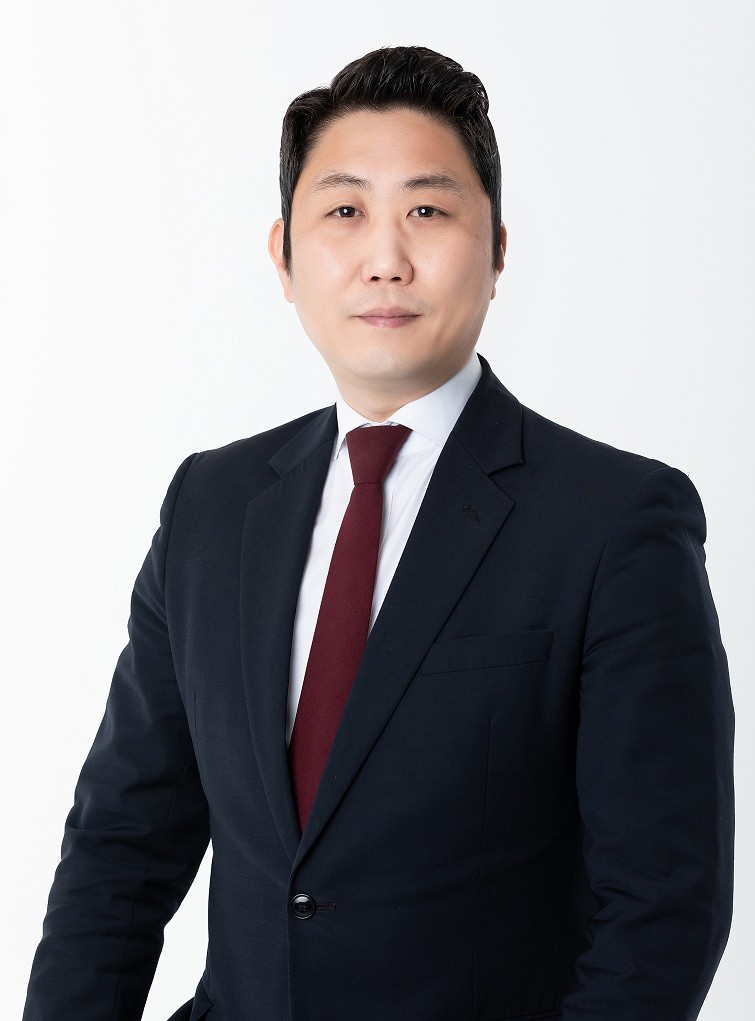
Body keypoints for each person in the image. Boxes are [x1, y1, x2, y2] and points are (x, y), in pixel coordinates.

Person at [23, 45, 734, 1021]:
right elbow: (120, 846)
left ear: (497, 251)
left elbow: (659, 909)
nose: (386, 257)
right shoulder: (210, 507)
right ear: (283, 255)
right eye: (345, 211)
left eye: (428, 211)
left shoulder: (614, 522)